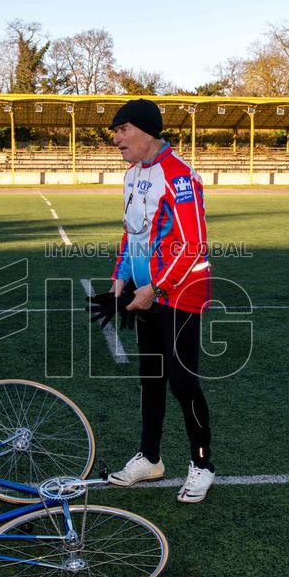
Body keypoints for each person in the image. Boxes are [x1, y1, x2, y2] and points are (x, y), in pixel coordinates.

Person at [104, 98, 215, 503]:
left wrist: (155, 289)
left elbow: (193, 244)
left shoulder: (179, 175)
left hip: (180, 293)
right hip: (147, 292)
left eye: (123, 129)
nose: (116, 138)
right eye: (115, 132)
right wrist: (121, 279)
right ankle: (150, 459)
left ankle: (202, 464)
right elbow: (131, 232)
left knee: (183, 381)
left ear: (147, 131)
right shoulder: (132, 174)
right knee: (151, 378)